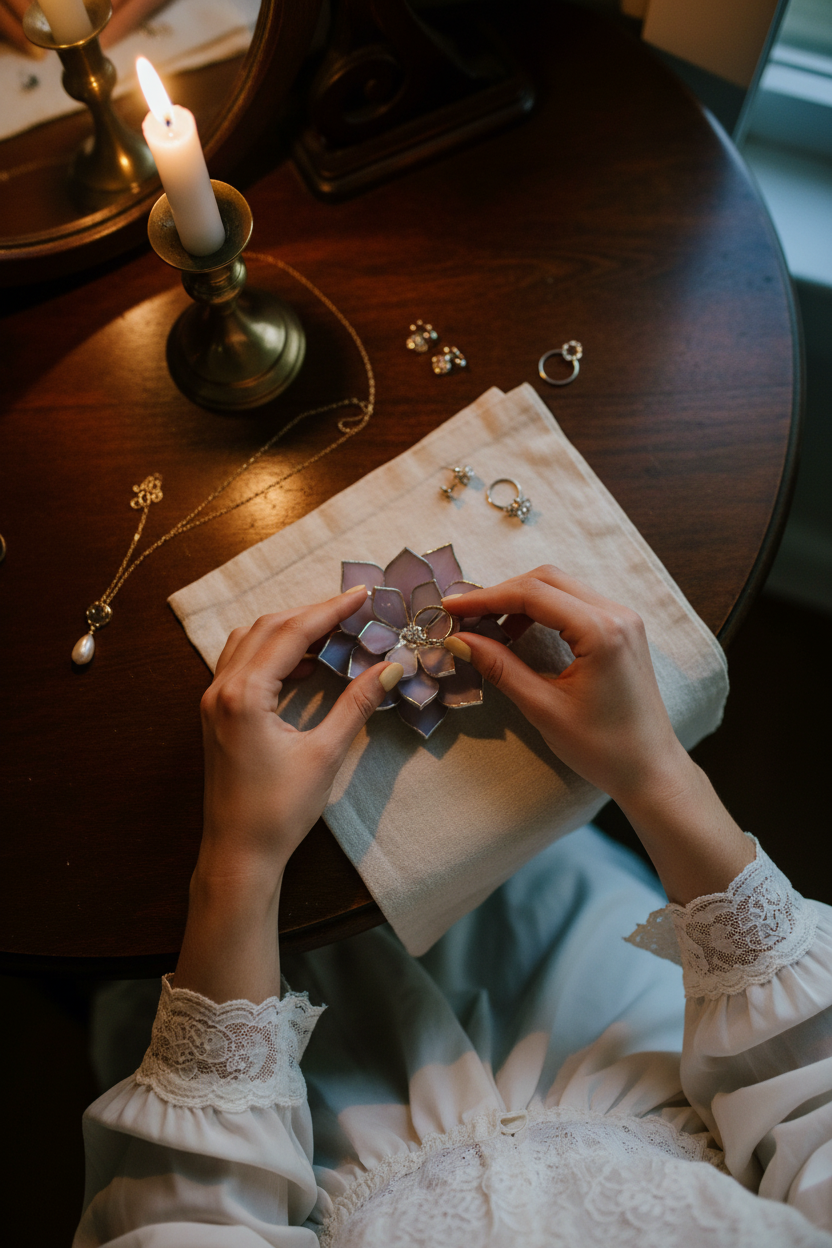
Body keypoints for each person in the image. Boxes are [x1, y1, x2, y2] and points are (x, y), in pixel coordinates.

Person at [74, 566, 832, 1247]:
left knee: (136, 877)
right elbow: (818, 1081)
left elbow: (187, 1219)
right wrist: (658, 773)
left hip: (302, 1107)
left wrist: (237, 862)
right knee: (517, 828)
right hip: (619, 1008)